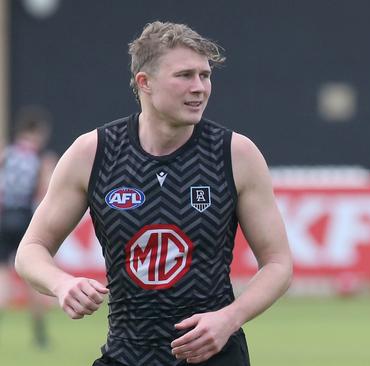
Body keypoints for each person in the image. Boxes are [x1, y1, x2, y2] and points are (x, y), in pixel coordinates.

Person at [15, 21, 292, 366]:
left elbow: (278, 263)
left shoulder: (236, 154)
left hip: (214, 355)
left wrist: (230, 318)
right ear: (145, 82)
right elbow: (30, 250)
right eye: (185, 75)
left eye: (205, 76)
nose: (200, 88)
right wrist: (61, 284)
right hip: (125, 355)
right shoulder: (93, 152)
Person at [0, 105, 56, 348]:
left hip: (2, 218)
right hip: (24, 217)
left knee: (2, 275)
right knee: (31, 275)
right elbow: (46, 193)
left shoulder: (6, 154)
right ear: (38, 132)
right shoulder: (41, 159)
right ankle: (40, 336)